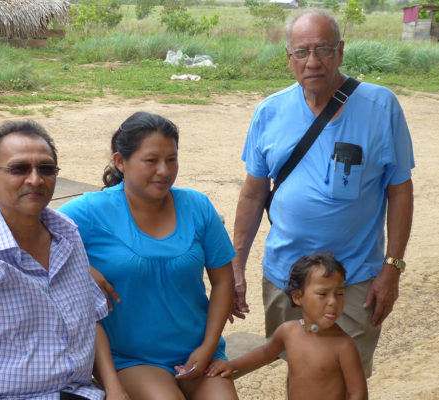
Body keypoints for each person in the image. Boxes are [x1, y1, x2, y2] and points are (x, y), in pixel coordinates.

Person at [231, 10, 414, 378]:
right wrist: (236, 266)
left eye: (323, 49)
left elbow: (400, 192)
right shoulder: (269, 111)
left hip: (352, 281)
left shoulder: (381, 108)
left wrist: (391, 269)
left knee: (344, 379)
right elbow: (253, 195)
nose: (312, 61)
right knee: (300, 371)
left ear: (341, 51)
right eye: (301, 52)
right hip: (286, 279)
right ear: (288, 57)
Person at [0, 121, 128, 400]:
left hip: (77, 392)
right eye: (19, 169)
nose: (35, 179)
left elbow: (91, 322)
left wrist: (114, 390)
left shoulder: (67, 235)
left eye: (46, 168)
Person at [58, 112, 238, 400]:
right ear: (120, 162)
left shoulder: (197, 206)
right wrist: (83, 269)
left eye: (171, 159)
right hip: (131, 357)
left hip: (197, 349)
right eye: (151, 161)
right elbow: (35, 236)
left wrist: (207, 348)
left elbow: (223, 282)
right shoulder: (90, 211)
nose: (164, 171)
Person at [208, 254, 368, 400]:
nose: (333, 301)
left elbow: (358, 393)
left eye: (339, 293)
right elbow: (265, 353)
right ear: (298, 297)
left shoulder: (343, 346)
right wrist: (232, 365)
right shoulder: (288, 332)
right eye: (323, 294)